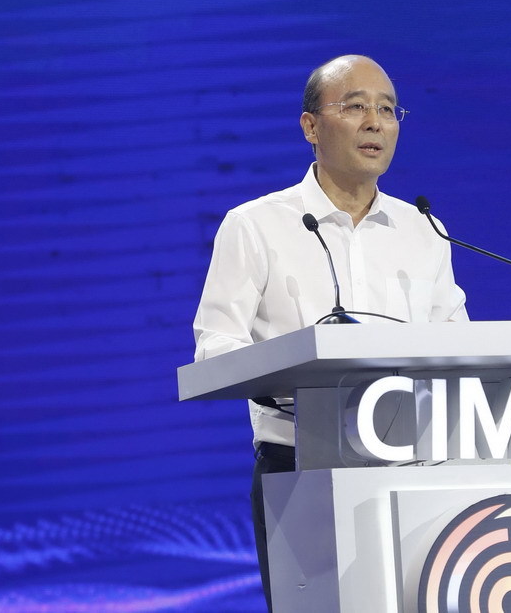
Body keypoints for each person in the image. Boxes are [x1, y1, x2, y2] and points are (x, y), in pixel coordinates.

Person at [192, 54, 468, 611]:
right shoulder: (256, 225)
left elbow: (456, 344)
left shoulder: (424, 229)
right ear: (311, 126)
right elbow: (215, 347)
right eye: (355, 107)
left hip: (414, 468)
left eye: (387, 110)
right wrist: (292, 377)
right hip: (299, 468)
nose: (375, 123)